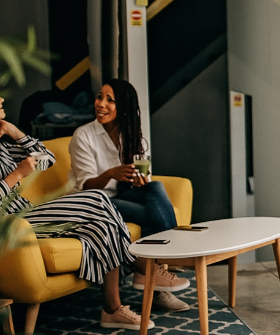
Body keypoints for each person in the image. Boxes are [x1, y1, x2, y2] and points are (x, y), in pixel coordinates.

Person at [0, 79, 150, 331]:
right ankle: (142, 265)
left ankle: (112, 308)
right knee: (97, 199)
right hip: (10, 222)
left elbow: (47, 158)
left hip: (25, 213)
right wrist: (18, 175)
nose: (1, 99)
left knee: (102, 225)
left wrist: (14, 131)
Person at [69, 79, 190, 311]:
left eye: (110, 100)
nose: (101, 104)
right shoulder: (83, 135)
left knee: (154, 188)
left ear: (123, 107)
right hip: (93, 201)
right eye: (99, 97)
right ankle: (158, 271)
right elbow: (86, 186)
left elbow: (146, 178)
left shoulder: (134, 137)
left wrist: (140, 181)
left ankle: (153, 272)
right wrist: (111, 173)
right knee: (147, 213)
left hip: (122, 197)